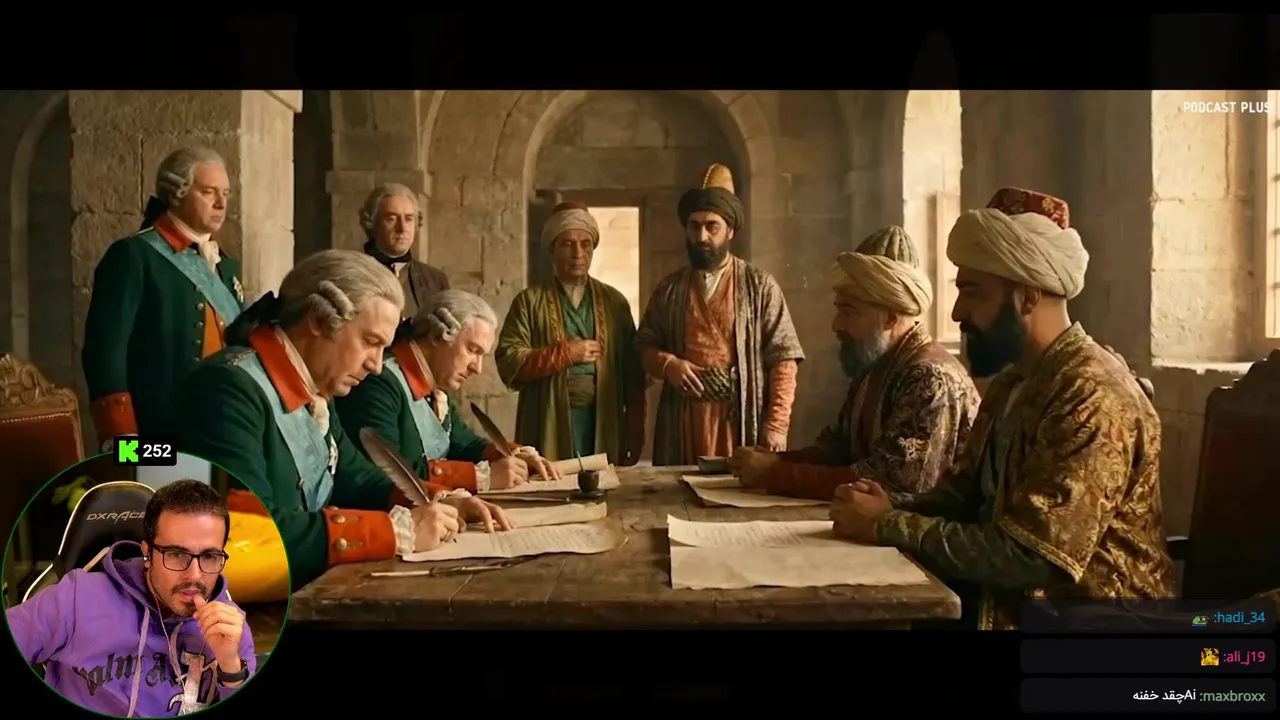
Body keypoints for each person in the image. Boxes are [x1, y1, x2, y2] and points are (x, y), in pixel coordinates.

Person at [830, 188, 1176, 630]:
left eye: (971, 293)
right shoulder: (1014, 381)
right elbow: (963, 495)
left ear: (1027, 297)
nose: (957, 312)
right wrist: (883, 505)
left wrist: (888, 525)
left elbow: (1033, 556)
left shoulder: (1092, 395)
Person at [168, 250, 511, 589]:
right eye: (370, 342)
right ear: (318, 321)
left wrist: (435, 499)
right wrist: (393, 532)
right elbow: (243, 529)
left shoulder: (317, 389)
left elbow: (355, 477)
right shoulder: (226, 389)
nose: (376, 365)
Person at [733, 226, 979, 500]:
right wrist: (773, 460)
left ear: (890, 317)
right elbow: (836, 451)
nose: (836, 325)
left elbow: (887, 482)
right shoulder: (874, 365)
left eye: (848, 312)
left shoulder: (931, 378)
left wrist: (772, 473)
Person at [8, 480, 256, 716]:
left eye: (210, 557)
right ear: (147, 553)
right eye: (176, 554)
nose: (195, 575)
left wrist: (230, 666)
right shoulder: (75, 598)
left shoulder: (230, 627)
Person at [635, 164, 805, 465]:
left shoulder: (759, 285)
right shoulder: (670, 289)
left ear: (730, 231)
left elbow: (784, 359)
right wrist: (668, 364)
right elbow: (644, 345)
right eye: (694, 226)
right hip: (683, 420)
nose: (701, 236)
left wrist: (777, 424)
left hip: (739, 418)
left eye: (711, 226)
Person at [83, 147, 244, 447]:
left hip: (221, 433)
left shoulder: (226, 264)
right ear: (176, 194)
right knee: (161, 481)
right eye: (208, 192)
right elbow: (105, 351)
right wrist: (122, 437)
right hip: (157, 434)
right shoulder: (134, 256)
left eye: (225, 193)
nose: (221, 203)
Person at [336, 289, 558, 490]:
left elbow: (463, 443)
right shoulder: (379, 383)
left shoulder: (435, 388)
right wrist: (479, 477)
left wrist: (512, 454)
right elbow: (387, 472)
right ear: (436, 336)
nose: (477, 367)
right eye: (472, 350)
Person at [494, 203, 647, 464]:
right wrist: (565, 354)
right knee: (550, 483)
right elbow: (509, 361)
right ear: (552, 249)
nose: (578, 253)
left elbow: (633, 375)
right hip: (547, 422)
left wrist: (634, 432)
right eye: (567, 244)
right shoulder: (529, 302)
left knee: (602, 483)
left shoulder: (614, 302)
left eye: (585, 244)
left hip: (602, 422)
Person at [359, 183, 450, 319]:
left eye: (408, 219)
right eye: (391, 219)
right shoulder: (353, 275)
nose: (402, 228)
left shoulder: (436, 281)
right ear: (372, 223)